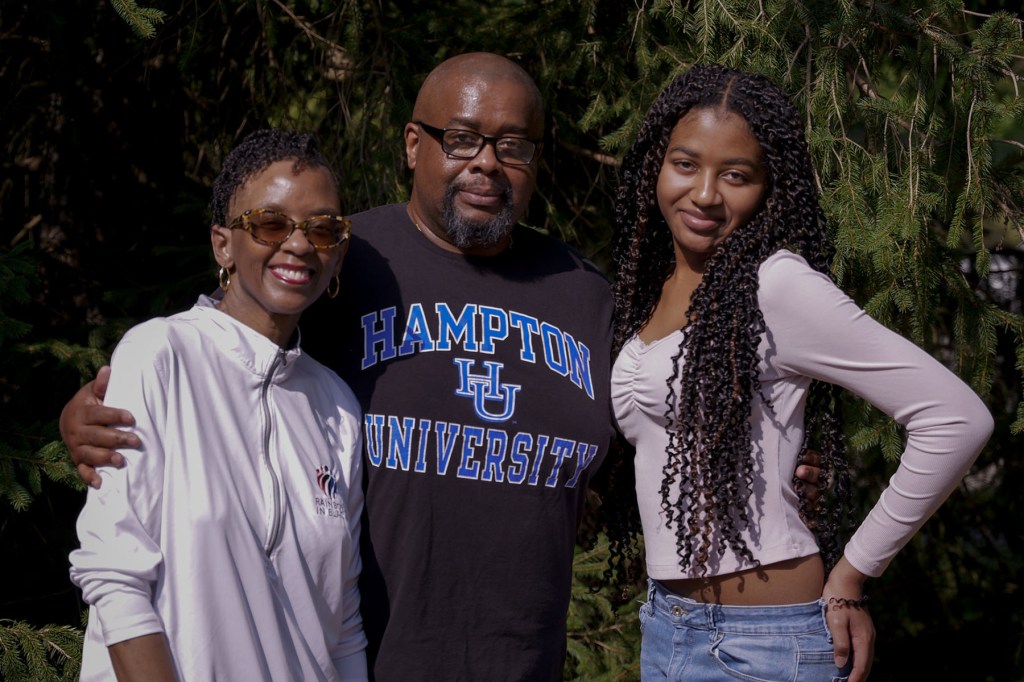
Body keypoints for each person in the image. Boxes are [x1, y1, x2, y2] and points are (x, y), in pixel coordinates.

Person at [61, 54, 821, 680]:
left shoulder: (591, 300)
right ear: (413, 144)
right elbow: (223, 351)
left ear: (535, 161)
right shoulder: (340, 257)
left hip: (522, 666)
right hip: (365, 662)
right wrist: (93, 415)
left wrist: (784, 470)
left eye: (513, 144)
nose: (486, 163)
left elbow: (660, 440)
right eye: (461, 138)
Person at [608, 64, 993, 682]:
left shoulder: (776, 284)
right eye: (686, 164)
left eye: (736, 176)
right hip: (665, 629)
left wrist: (852, 575)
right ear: (657, 163)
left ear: (768, 188)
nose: (705, 194)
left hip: (765, 646)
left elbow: (957, 418)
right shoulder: (648, 291)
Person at [68, 130, 367, 681]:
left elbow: (342, 624)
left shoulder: (338, 407)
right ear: (223, 244)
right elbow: (115, 575)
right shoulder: (160, 354)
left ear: (338, 253)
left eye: (322, 229)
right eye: (270, 224)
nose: (298, 244)